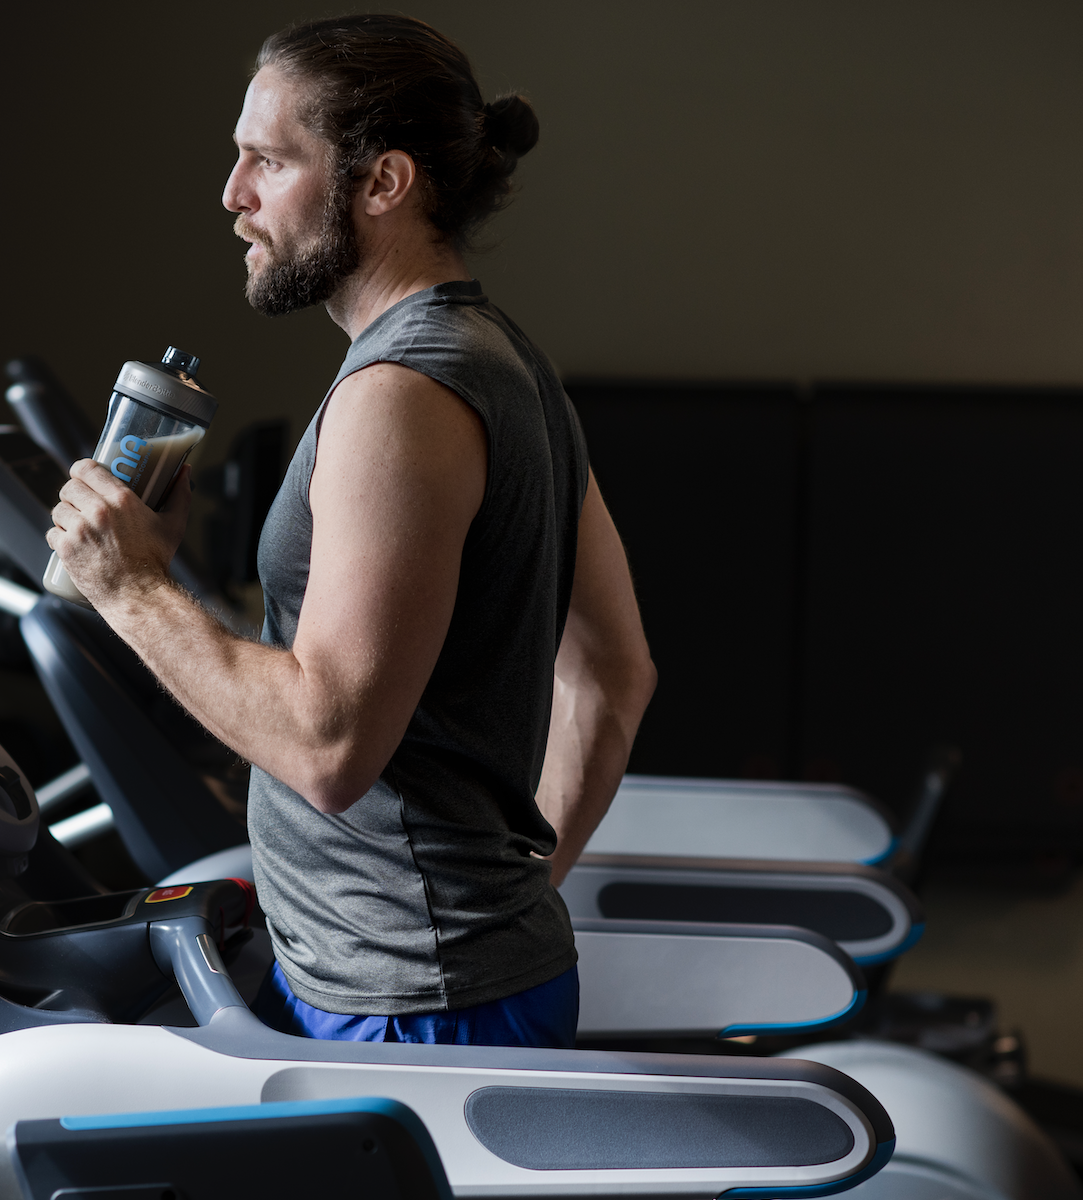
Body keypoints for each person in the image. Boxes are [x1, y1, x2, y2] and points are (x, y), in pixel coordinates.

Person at [45, 14, 655, 1049]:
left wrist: (131, 587)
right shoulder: (503, 361)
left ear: (383, 184)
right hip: (442, 975)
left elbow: (327, 746)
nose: (233, 195)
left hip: (407, 1002)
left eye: (269, 161)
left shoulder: (400, 395)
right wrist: (504, 897)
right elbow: (614, 673)